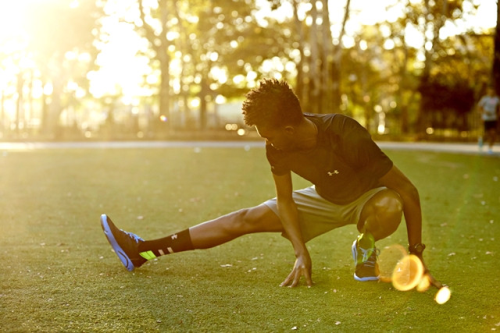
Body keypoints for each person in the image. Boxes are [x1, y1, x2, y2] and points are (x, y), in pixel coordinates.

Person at [100, 78, 440, 288]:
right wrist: (300, 250)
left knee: (390, 204)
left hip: (366, 198)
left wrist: (416, 256)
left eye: (269, 135)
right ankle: (143, 251)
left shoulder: (346, 133)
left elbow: (408, 190)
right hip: (322, 198)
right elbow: (287, 200)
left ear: (289, 130)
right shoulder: (276, 147)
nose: (266, 141)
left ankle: (365, 246)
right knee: (244, 218)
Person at [478, 87, 499, 154]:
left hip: (493, 118)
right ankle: (481, 140)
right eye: (490, 91)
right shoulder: (485, 99)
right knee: (486, 134)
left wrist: (498, 114)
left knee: (493, 134)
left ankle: (490, 148)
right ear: (488, 91)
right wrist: (484, 112)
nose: (491, 93)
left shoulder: (497, 99)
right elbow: (479, 107)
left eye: (493, 91)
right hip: (486, 118)